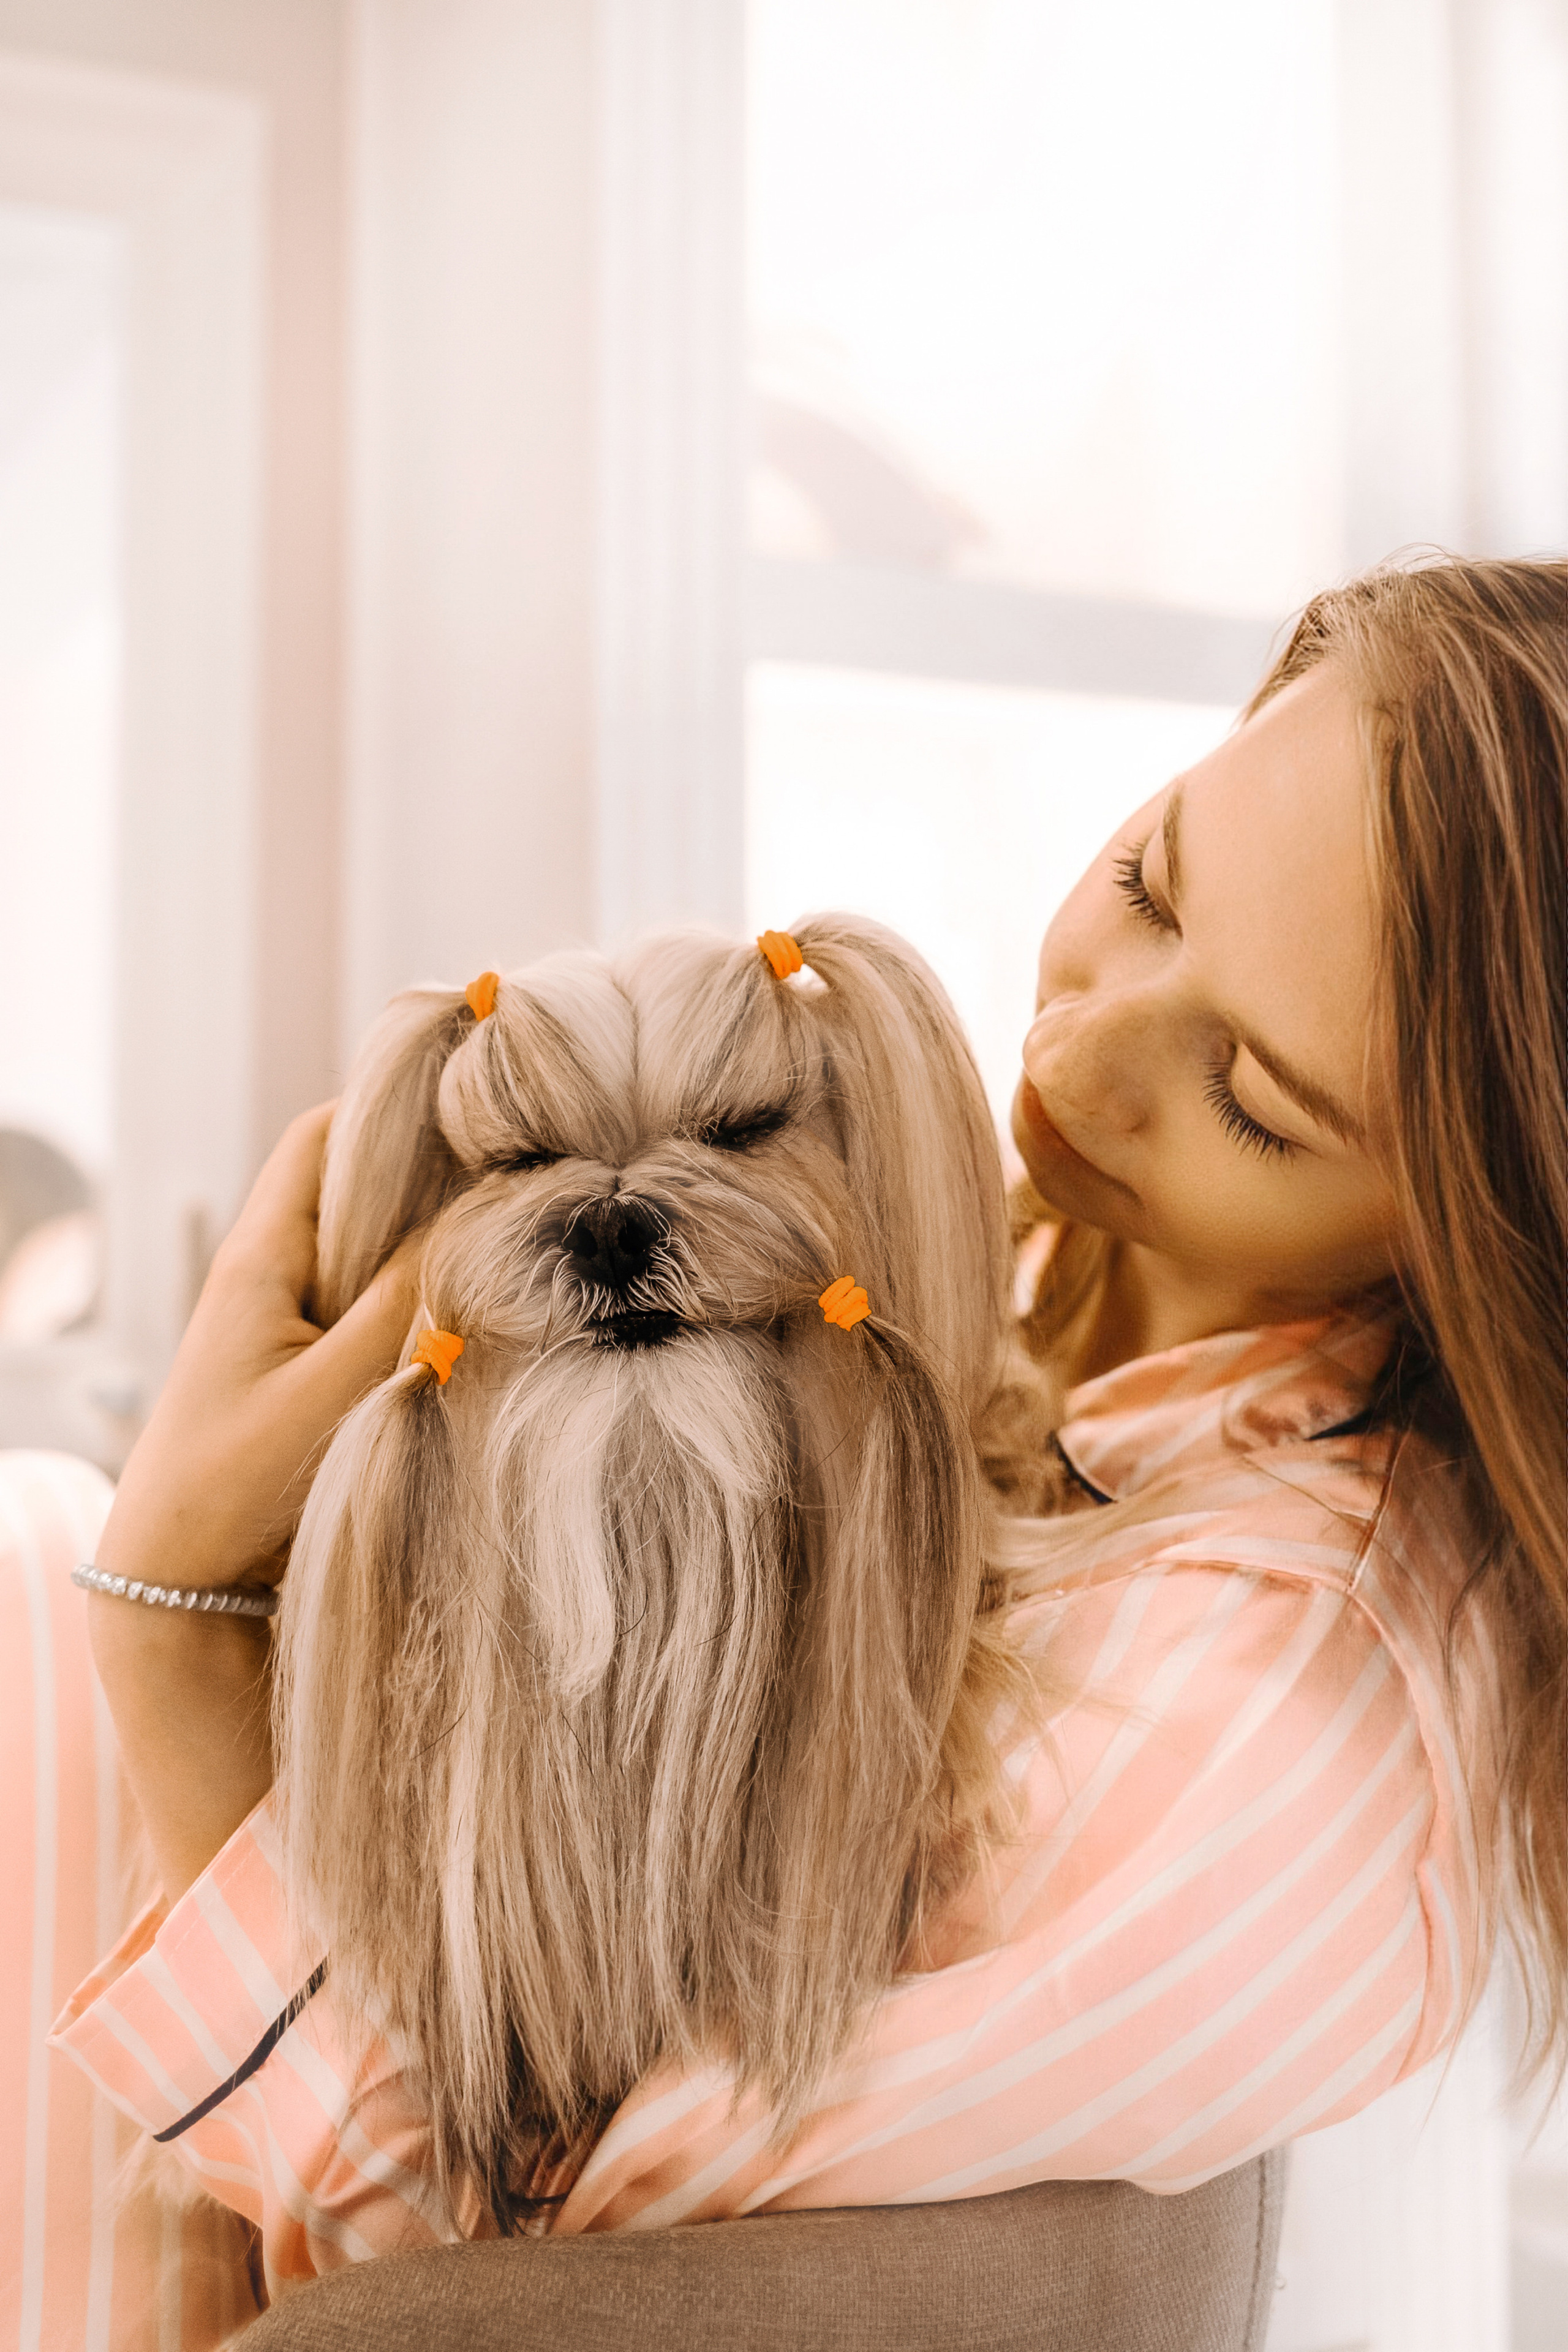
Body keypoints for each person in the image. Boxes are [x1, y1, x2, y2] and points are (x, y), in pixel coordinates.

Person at [14, 553, 1565, 2333]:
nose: (1072, 1051)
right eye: (1151, 880)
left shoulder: (1270, 1753)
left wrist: (175, 1616)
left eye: (1251, 1098)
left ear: (1489, 1241)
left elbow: (494, 2270)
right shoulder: (1011, 1272)